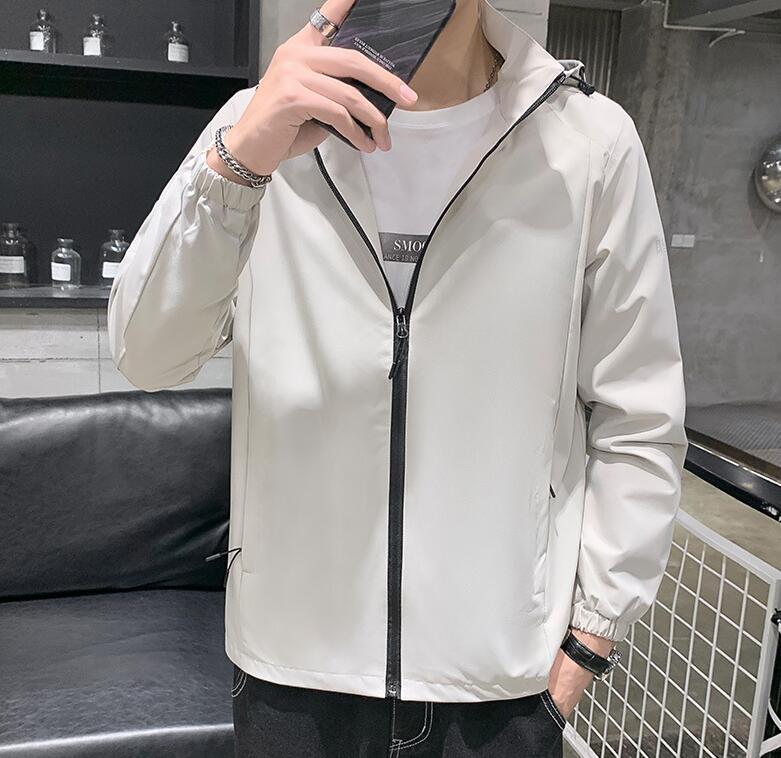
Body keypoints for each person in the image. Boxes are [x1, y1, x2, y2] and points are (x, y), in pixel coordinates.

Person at [107, 0, 689, 755]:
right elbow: (149, 353)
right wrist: (240, 161)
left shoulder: (586, 143)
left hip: (497, 681)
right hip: (293, 668)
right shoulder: (260, 126)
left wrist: (591, 637)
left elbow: (638, 413)